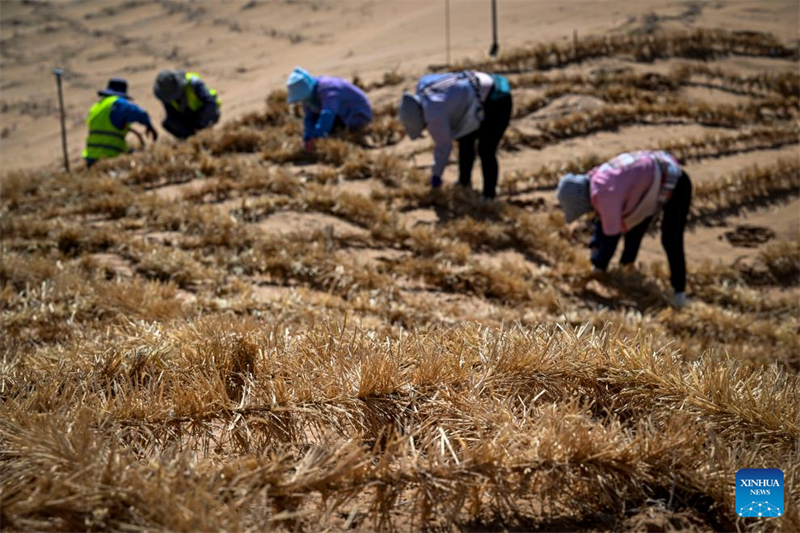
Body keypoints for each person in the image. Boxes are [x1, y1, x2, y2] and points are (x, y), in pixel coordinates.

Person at [556, 150, 693, 308]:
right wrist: (595, 246)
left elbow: (610, 237)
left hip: (674, 182)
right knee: (634, 229)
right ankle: (626, 269)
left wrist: (598, 266)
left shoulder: (605, 195)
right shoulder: (597, 180)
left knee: (671, 239)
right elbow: (602, 221)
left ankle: (679, 293)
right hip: (649, 183)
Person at [397, 70, 512, 201]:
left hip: (497, 98)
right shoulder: (423, 86)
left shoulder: (433, 115)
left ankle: (489, 196)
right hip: (480, 85)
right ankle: (464, 183)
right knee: (465, 139)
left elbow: (443, 148)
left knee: (486, 149)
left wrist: (436, 177)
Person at [285, 67, 373, 151]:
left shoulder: (329, 89)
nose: (303, 101)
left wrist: (316, 138)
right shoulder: (308, 98)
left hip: (357, 114)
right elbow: (309, 117)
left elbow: (327, 114)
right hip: (339, 116)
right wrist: (308, 138)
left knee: (334, 132)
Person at [82, 78, 157, 167]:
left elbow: (106, 127)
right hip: (110, 156)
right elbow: (139, 113)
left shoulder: (97, 106)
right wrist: (149, 124)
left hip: (91, 156)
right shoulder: (118, 103)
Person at [153, 69, 220, 139]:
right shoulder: (164, 95)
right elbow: (172, 115)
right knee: (169, 124)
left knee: (208, 113)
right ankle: (188, 139)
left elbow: (211, 104)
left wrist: (200, 124)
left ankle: (204, 135)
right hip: (187, 116)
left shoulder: (193, 83)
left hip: (203, 113)